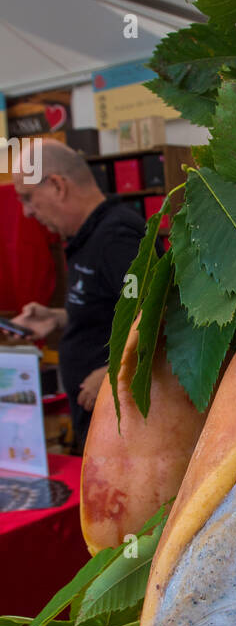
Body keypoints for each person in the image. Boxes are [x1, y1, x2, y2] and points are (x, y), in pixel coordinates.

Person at [11, 140, 147, 451]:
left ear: (57, 185)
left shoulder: (117, 237)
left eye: (28, 198)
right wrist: (57, 318)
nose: (27, 212)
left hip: (120, 434)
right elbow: (112, 308)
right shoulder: (86, 236)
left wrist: (116, 372)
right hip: (94, 422)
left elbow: (156, 315)